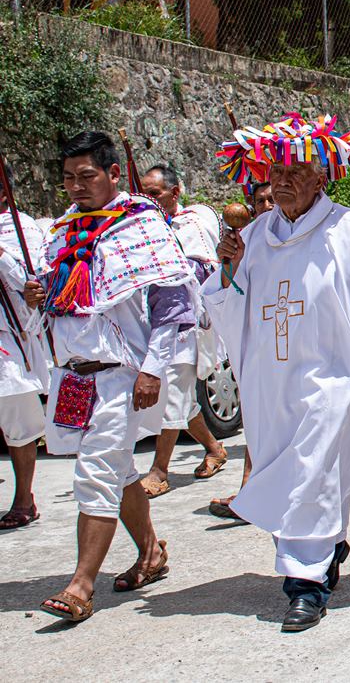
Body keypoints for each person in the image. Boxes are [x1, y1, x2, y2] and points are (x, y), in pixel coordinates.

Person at [206, 113, 350, 631]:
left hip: (331, 378)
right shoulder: (258, 234)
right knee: (292, 473)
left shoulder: (349, 228)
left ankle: (303, 585)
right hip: (270, 383)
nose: (282, 181)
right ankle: (326, 547)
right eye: (276, 172)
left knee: (310, 470)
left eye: (296, 171)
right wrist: (227, 268)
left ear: (321, 177)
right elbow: (229, 306)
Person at [27, 132, 196, 622]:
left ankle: (81, 585)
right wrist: (44, 292)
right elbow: (62, 294)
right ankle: (151, 552)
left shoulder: (140, 224)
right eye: (68, 179)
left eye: (87, 176)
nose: (77, 187)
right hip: (74, 376)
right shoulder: (64, 231)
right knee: (118, 470)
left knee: (96, 472)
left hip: (121, 374)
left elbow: (173, 305)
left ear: (112, 174)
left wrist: (152, 370)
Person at [136, 165, 229, 497]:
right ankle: (215, 448)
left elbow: (204, 268)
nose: (147, 199)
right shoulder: (138, 228)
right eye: (143, 193)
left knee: (173, 394)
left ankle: (159, 470)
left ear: (175, 193)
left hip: (184, 324)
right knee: (184, 401)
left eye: (155, 193)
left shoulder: (193, 224)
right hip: (151, 323)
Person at [209, 180, 274, 520]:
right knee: (255, 416)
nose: (266, 206)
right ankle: (250, 489)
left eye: (271, 200)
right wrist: (228, 263)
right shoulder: (244, 242)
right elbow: (228, 293)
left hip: (294, 347)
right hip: (259, 342)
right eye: (259, 201)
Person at [0, 163, 49, 531]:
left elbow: (31, 279)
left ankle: (24, 497)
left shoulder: (21, 228)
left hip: (9, 337)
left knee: (18, 421)